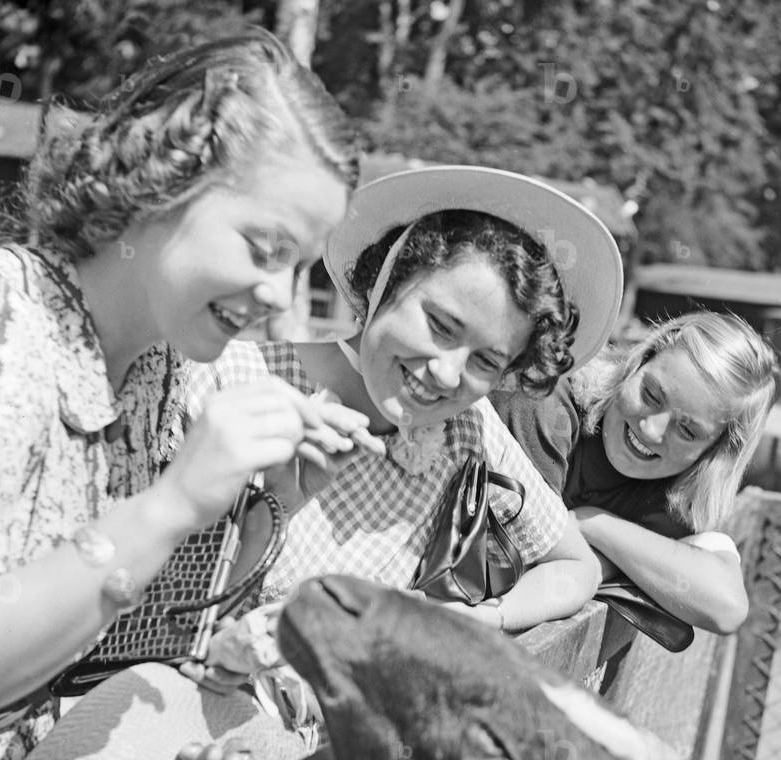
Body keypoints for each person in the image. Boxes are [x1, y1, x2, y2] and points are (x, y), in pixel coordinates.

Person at [0, 28, 365, 760]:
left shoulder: (176, 369)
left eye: (300, 268)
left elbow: (139, 643)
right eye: (265, 248)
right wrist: (173, 504)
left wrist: (276, 504)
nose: (280, 297)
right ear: (160, 183)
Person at [175, 164, 626, 723]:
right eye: (440, 324)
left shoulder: (469, 429)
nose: (445, 372)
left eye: (486, 360)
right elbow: (161, 609)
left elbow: (573, 564)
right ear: (384, 282)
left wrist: (486, 618)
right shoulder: (230, 379)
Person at [491, 312, 781, 634]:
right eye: (651, 395)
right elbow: (515, 562)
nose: (651, 428)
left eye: (687, 431)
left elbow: (726, 607)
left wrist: (593, 523)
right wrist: (611, 560)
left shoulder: (673, 499)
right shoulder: (547, 403)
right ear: (638, 362)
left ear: (714, 451)